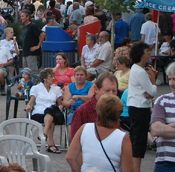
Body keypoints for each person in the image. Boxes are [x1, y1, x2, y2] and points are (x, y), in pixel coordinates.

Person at [66, 95, 132, 172]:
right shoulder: (123, 138)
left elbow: (70, 157)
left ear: (98, 110)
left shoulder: (84, 128)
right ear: (119, 113)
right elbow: (128, 169)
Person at [127, 41, 157, 171]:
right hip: (140, 107)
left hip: (136, 106)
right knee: (138, 140)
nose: (149, 52)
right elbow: (152, 91)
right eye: (147, 51)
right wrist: (152, 77)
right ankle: (136, 169)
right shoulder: (140, 71)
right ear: (141, 54)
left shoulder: (136, 68)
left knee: (137, 138)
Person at [70, 71, 119, 140]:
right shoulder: (82, 111)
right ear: (96, 89)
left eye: (114, 91)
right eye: (107, 91)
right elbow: (75, 142)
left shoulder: (115, 108)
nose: (111, 95)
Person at [25, 67, 64, 154]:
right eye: (51, 76)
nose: (53, 78)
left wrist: (61, 106)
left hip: (53, 113)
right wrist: (29, 106)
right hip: (39, 113)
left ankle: (44, 134)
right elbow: (31, 101)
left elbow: (60, 103)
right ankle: (51, 144)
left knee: (51, 110)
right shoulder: (36, 88)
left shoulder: (56, 89)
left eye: (53, 76)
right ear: (45, 78)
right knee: (51, 116)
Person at [150, 62, 175, 171]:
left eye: (174, 79)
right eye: (170, 79)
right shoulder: (162, 100)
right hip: (165, 163)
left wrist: (167, 127)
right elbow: (155, 129)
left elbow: (161, 129)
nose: (171, 84)